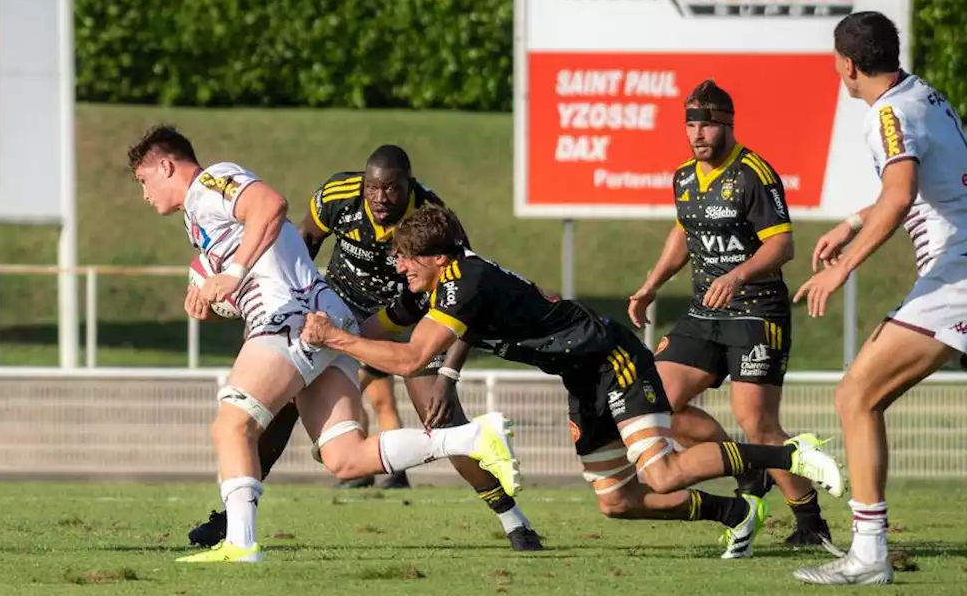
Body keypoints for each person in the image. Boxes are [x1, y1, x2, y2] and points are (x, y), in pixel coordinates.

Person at [300, 204, 845, 554]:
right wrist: (326, 333)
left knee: (660, 473)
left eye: (404, 259)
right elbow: (374, 327)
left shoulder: (466, 280)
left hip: (611, 357)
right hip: (582, 377)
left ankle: (792, 454)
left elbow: (410, 357)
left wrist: (336, 342)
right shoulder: (441, 282)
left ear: (437, 258)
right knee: (618, 502)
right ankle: (733, 511)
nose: (398, 268)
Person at [127, 125, 520, 563]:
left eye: (143, 180)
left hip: (292, 318)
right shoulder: (198, 218)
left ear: (165, 166)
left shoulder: (211, 183)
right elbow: (266, 252)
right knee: (345, 459)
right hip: (325, 318)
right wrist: (208, 291)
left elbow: (271, 205)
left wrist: (234, 276)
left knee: (232, 424)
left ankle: (239, 543)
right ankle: (469, 438)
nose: (143, 194)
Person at [792, 11, 967, 586]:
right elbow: (923, 188)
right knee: (860, 397)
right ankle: (869, 551)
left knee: (855, 396)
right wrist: (850, 222)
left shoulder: (887, 114)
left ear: (846, 65)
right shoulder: (925, 97)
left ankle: (869, 555)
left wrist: (841, 268)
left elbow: (900, 196)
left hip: (956, 278)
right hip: (954, 275)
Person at [628, 79, 835, 557]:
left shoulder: (753, 173)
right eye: (691, 124)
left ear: (727, 124)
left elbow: (782, 244)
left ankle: (811, 522)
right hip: (705, 310)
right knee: (658, 401)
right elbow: (684, 232)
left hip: (756, 311)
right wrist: (652, 284)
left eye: (707, 124)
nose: (698, 133)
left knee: (759, 424)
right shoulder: (683, 177)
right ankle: (746, 470)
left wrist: (738, 276)